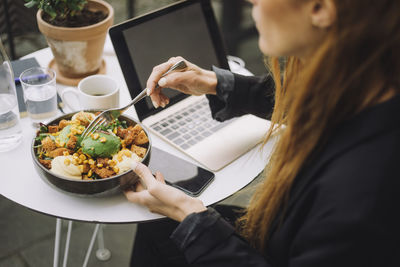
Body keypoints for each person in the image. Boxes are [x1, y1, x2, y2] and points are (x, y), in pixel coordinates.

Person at [124, 0, 400, 266]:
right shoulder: (369, 79)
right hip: (284, 234)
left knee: (164, 227)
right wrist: (214, 83)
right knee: (158, 229)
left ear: (320, 8)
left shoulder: (358, 194)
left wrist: (190, 216)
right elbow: (311, 101)